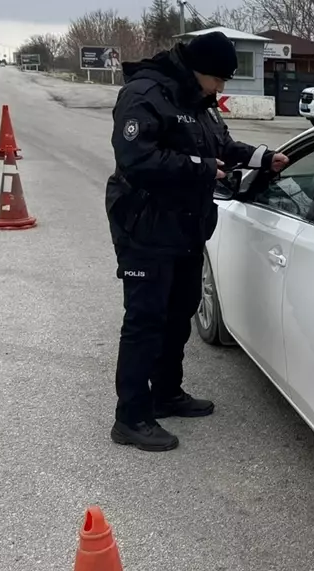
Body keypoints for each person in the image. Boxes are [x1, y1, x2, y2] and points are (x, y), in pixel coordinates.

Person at [104, 31, 288, 452]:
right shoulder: (144, 95)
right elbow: (137, 158)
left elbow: (221, 145)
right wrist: (202, 168)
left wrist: (262, 158)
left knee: (179, 313)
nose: (220, 87)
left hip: (186, 227)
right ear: (196, 69)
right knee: (145, 321)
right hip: (146, 225)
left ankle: (166, 393)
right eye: (217, 79)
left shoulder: (198, 99)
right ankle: (130, 417)